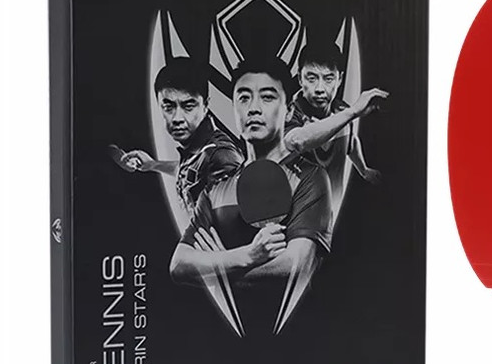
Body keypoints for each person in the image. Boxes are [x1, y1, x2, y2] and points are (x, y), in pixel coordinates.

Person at [169, 58, 332, 305]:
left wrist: (216, 265)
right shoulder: (215, 190)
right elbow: (180, 265)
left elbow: (295, 266)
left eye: (267, 97)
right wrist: (248, 256)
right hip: (224, 326)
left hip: (295, 325)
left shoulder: (310, 178)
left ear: (289, 109)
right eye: (244, 98)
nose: (253, 108)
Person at [117, 58, 243, 216]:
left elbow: (239, 218)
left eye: (188, 106)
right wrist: (153, 164)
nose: (177, 118)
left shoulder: (220, 156)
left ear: (205, 106)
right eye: (168, 107)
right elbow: (192, 171)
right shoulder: (200, 152)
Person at [284, 41, 388, 203]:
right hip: (300, 212)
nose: (320, 88)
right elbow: (298, 140)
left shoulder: (342, 110)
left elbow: (350, 141)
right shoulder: (288, 113)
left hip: (333, 208)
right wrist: (353, 112)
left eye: (328, 79)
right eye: (311, 78)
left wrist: (363, 170)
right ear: (300, 79)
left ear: (339, 79)